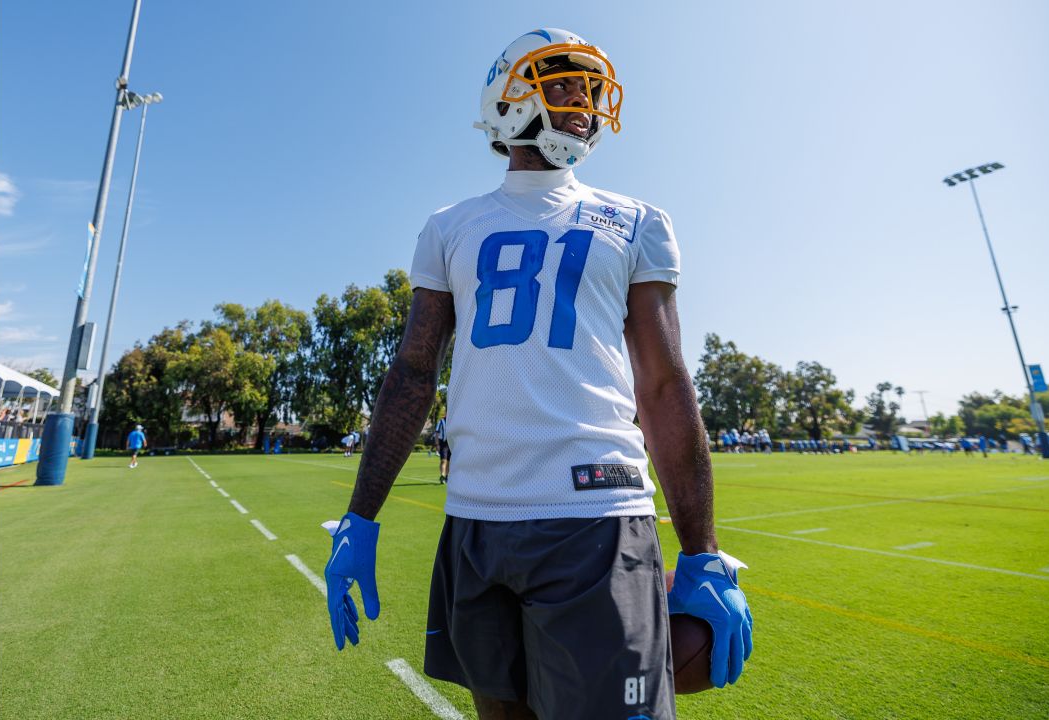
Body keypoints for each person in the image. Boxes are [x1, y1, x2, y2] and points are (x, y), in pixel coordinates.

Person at [321, 29, 751, 720]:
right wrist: (360, 515)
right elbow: (411, 373)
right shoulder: (449, 226)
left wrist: (702, 552)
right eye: (562, 84)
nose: (582, 101)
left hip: (595, 518)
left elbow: (664, 384)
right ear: (508, 96)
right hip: (475, 520)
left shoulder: (638, 220)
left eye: (589, 88)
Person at [434, 414, 450, 484]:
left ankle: (447, 476)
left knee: (449, 462)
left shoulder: (453, 421)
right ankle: (442, 476)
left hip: (451, 443)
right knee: (443, 460)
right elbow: (437, 433)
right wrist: (437, 444)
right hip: (443, 443)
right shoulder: (441, 421)